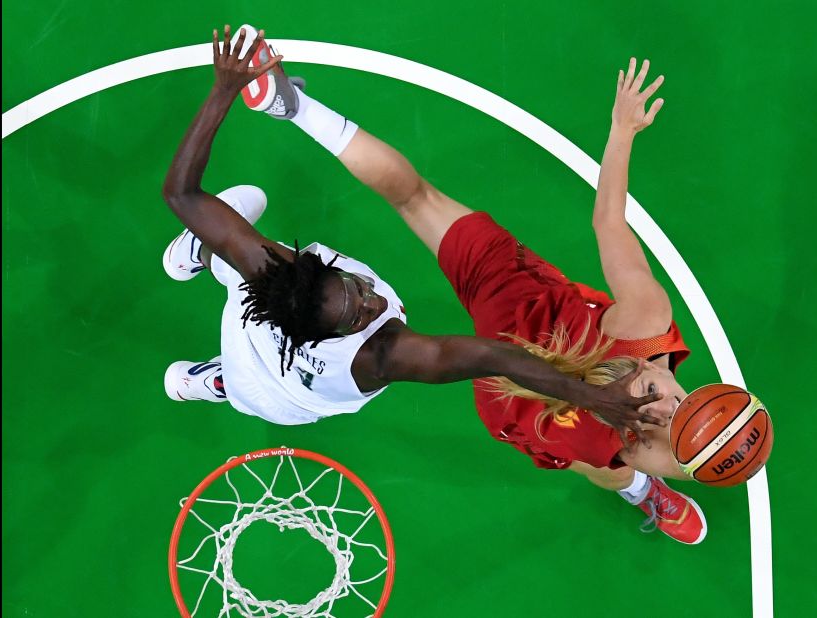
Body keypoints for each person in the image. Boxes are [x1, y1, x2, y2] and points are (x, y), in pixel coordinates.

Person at [248, 31, 709, 543]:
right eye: (659, 399)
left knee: (418, 199)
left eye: (658, 401)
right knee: (610, 465)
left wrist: (622, 130)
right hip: (509, 369)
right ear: (645, 364)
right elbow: (694, 460)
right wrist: (720, 446)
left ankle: (291, 107)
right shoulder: (643, 399)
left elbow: (609, 223)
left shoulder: (642, 339)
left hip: (513, 333)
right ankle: (639, 490)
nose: (668, 406)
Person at [159, 26, 660, 441]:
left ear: (303, 266)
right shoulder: (379, 356)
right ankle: (220, 375)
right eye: (360, 315)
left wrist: (223, 90)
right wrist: (589, 397)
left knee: (236, 210)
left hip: (269, 352)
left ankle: (205, 259)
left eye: (357, 292)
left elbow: (182, 194)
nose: (373, 303)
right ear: (334, 335)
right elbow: (493, 354)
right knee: (242, 215)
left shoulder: (274, 273)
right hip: (278, 397)